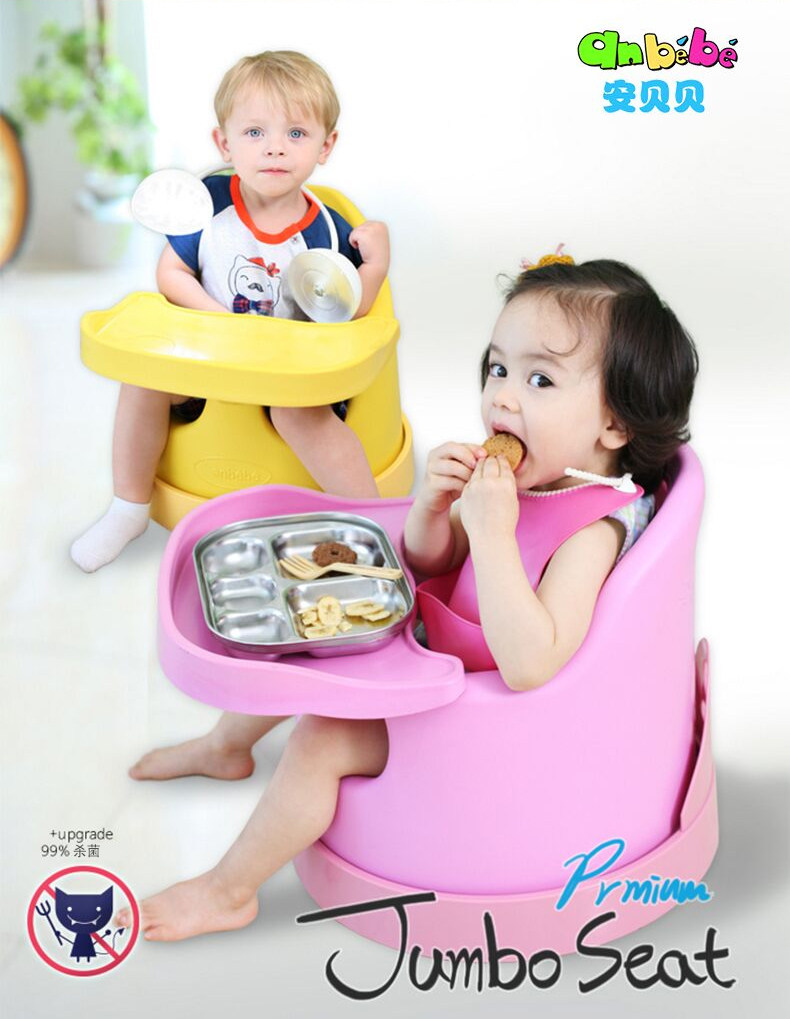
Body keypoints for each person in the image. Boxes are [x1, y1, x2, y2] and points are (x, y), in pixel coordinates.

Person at [115, 253, 697, 941]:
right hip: (428, 654)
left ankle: (227, 890)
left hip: (475, 715)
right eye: (498, 369)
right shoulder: (523, 480)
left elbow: (530, 664)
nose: (503, 398)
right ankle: (225, 746)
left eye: (540, 379)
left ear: (615, 426)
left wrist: (492, 533)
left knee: (323, 735)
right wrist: (433, 508)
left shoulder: (590, 533)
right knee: (322, 639)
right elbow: (432, 563)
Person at [71, 51, 389, 573]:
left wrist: (375, 263)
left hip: (287, 381)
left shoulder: (327, 230)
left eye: (296, 133)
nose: (274, 148)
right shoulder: (208, 204)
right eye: (255, 132)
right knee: (143, 378)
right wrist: (219, 320)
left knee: (299, 413)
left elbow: (352, 312)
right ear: (224, 143)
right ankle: (128, 508)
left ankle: (369, 522)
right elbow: (171, 273)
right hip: (207, 367)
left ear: (325, 146)